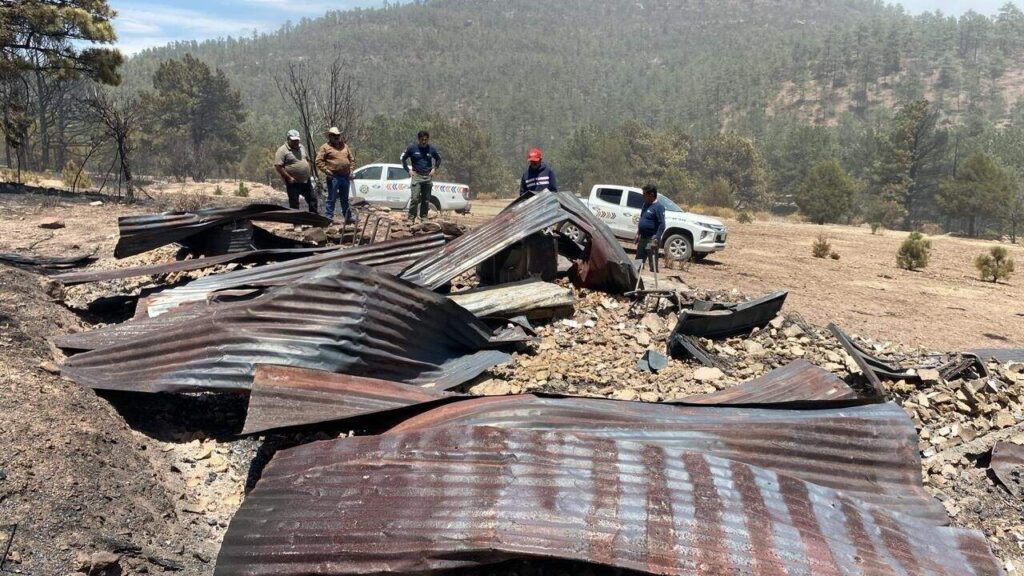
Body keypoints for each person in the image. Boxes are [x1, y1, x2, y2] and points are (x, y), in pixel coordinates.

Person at [400, 130, 442, 222]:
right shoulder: (412, 148)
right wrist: (408, 170)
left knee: (426, 199)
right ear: (418, 139)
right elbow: (402, 158)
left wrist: (434, 168)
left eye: (426, 140)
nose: (424, 142)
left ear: (428, 139)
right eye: (422, 139)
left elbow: (439, 159)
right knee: (415, 199)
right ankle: (411, 219)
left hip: (427, 177)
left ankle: (424, 218)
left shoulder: (431, 149)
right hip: (416, 176)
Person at [316, 127, 356, 222]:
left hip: (345, 176)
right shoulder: (325, 147)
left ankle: (348, 217)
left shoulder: (345, 146)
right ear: (330, 136)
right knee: (331, 198)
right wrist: (327, 171)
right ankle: (328, 217)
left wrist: (351, 170)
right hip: (333, 176)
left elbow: (352, 159)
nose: (336, 137)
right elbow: (318, 161)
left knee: (345, 199)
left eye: (338, 135)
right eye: (334, 135)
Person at [274, 129, 317, 213]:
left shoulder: (302, 147)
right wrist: (289, 177)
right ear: (288, 139)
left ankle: (314, 220)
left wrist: (309, 172)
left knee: (313, 199)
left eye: (297, 140)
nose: (296, 142)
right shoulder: (282, 150)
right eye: (293, 140)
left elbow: (307, 160)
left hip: (306, 180)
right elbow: (278, 166)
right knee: (294, 203)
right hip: (293, 182)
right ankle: (297, 223)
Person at [635, 184, 666, 268]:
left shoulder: (659, 207)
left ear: (651, 194)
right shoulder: (645, 204)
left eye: (644, 194)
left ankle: (655, 279)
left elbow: (662, 225)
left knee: (652, 264)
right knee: (638, 261)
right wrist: (638, 233)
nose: (643, 196)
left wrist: (656, 238)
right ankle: (635, 279)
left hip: (651, 239)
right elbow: (642, 218)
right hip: (643, 238)